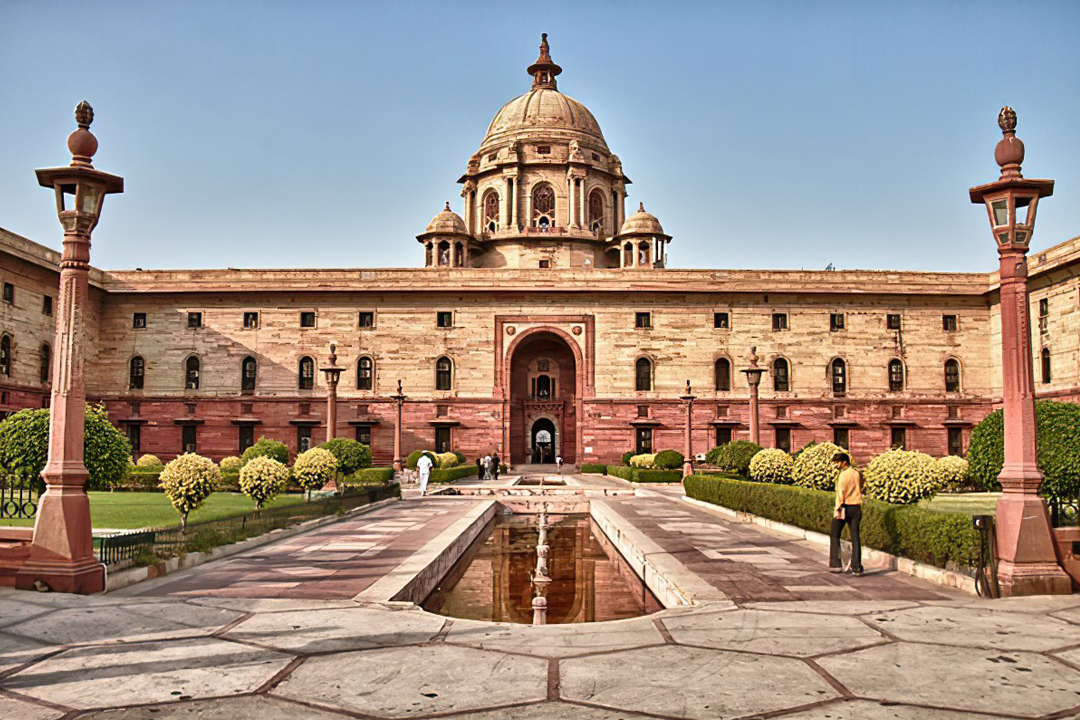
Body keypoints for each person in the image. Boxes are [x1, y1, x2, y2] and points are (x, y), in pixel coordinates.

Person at [830, 451, 864, 576]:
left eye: (838, 462)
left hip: (844, 507)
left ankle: (835, 564)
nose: (836, 465)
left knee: (834, 534)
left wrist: (837, 509)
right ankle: (856, 567)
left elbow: (840, 494)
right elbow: (861, 487)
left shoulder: (843, 475)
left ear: (844, 462)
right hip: (856, 506)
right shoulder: (857, 474)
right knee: (855, 537)